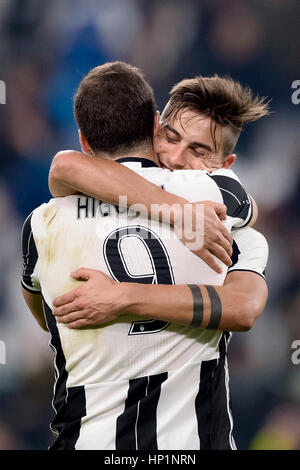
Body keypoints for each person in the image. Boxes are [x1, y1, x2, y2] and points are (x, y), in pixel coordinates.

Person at [21, 62, 268, 450]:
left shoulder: (42, 223)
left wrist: (123, 297)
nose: (177, 158)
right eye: (172, 138)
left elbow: (65, 165)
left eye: (199, 151)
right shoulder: (219, 214)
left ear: (225, 167)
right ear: (155, 127)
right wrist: (178, 210)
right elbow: (65, 165)